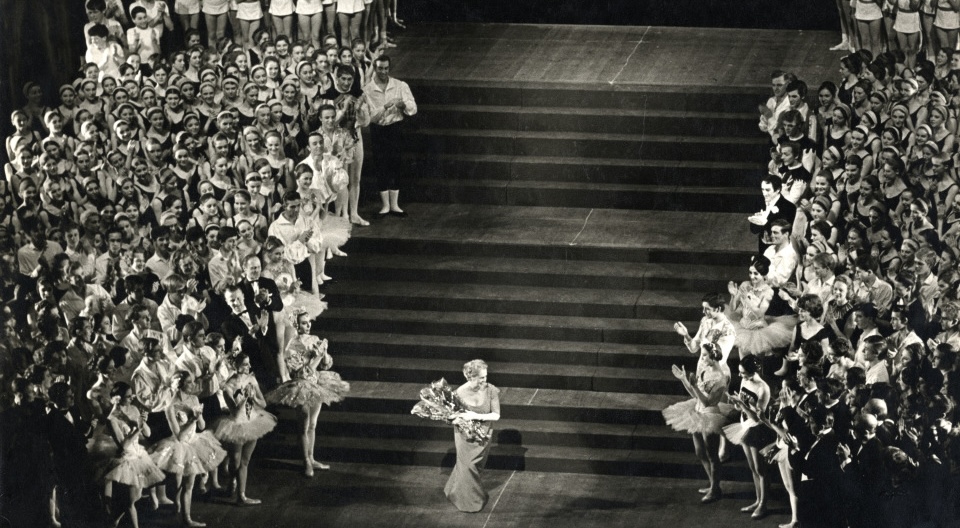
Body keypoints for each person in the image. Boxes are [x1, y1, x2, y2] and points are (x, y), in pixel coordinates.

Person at [265, 311, 349, 477]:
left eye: (309, 322)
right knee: (303, 425)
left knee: (313, 424)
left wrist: (323, 354)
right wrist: (313, 358)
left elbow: (325, 365)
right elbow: (300, 369)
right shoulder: (292, 344)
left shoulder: (315, 339)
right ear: (296, 325)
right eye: (304, 322)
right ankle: (306, 461)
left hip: (316, 383)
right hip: (301, 385)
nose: (308, 325)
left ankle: (312, 457)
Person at [660, 343, 731, 503]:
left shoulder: (720, 378)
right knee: (700, 452)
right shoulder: (705, 370)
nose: (702, 358)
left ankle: (716, 488)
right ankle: (713, 483)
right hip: (697, 411)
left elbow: (708, 402)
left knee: (712, 454)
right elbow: (695, 394)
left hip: (710, 415)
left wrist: (694, 386)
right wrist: (684, 380)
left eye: (705, 355)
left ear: (714, 356)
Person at [214, 353, 277, 505]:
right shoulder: (228, 386)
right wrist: (244, 398)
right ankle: (233, 487)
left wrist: (253, 397)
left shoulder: (251, 379)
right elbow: (235, 413)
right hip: (236, 425)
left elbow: (263, 404)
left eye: (249, 364)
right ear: (235, 366)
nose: (248, 367)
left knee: (245, 461)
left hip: (252, 421)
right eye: (244, 364)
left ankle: (240, 495)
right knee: (235, 463)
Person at [363, 54, 417, 218]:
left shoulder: (400, 85)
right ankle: (385, 205)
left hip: (395, 128)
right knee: (381, 165)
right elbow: (369, 117)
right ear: (375, 67)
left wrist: (403, 104)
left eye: (386, 68)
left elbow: (413, 108)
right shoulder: (368, 89)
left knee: (396, 164)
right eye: (380, 68)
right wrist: (385, 107)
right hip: (378, 130)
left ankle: (395, 204)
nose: (383, 71)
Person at [445, 359, 500, 512]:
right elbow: (452, 417)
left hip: (483, 434)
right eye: (481, 377)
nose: (485, 380)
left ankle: (453, 490)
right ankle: (471, 502)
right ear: (470, 377)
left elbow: (496, 416)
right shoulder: (458, 393)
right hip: (464, 435)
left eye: (485, 376)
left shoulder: (491, 390)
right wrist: (455, 418)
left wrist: (473, 416)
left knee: (476, 465)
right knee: (467, 466)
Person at [723, 355, 775, 520]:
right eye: (740, 372)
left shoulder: (763, 388)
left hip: (757, 429)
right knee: (753, 468)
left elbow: (757, 418)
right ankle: (758, 499)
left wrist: (743, 404)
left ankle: (763, 504)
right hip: (744, 425)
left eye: (743, 373)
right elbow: (744, 407)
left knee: (761, 469)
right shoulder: (745, 381)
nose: (740, 376)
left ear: (755, 371)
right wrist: (737, 403)